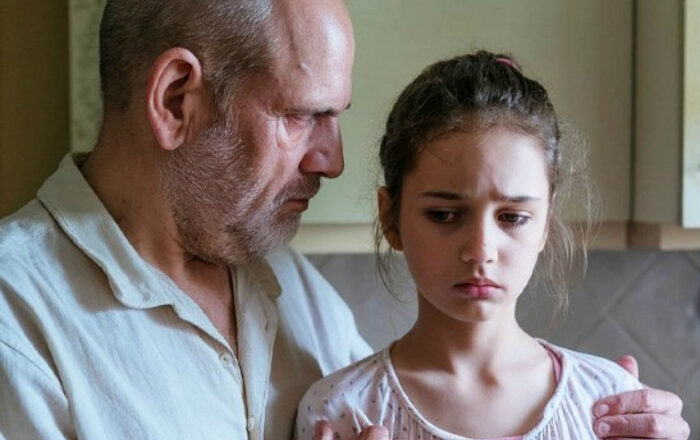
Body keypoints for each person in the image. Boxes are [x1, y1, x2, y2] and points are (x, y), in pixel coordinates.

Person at [0, 1, 688, 439]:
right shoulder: (18, 324)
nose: (332, 161)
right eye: (305, 115)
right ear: (178, 98)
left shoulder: (294, 290)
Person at [297, 52, 690, 440]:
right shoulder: (344, 411)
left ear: (545, 222)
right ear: (390, 217)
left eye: (513, 217)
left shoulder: (610, 405)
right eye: (444, 215)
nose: (480, 250)